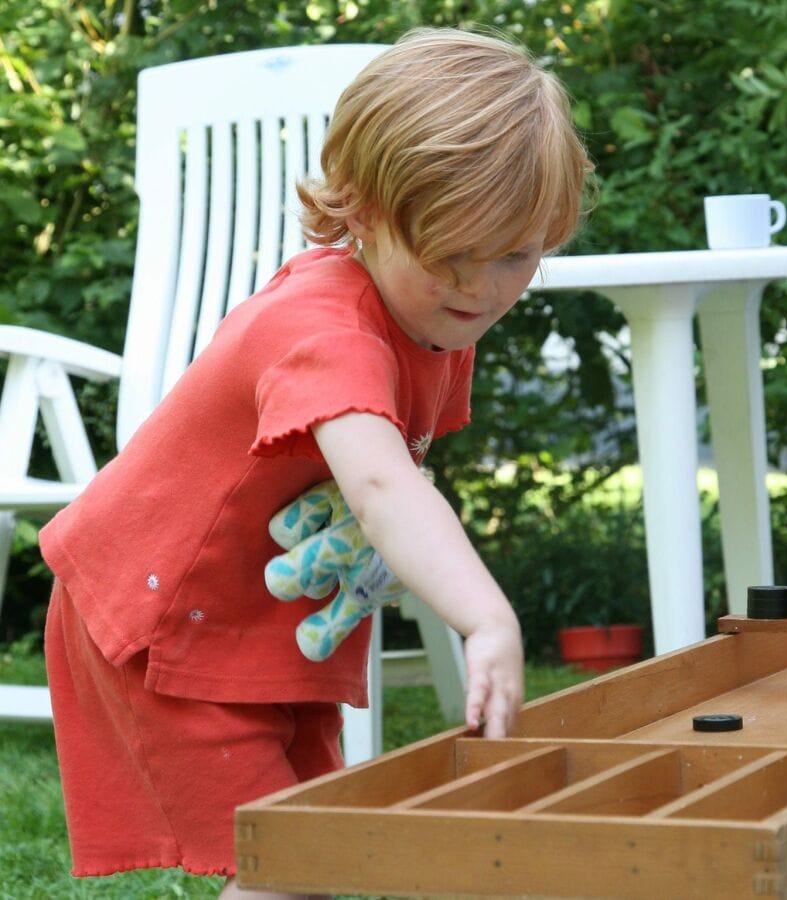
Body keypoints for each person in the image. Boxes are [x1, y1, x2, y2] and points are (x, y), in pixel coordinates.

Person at [40, 27, 592, 899]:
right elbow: (380, 483)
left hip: (249, 622)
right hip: (157, 623)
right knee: (287, 865)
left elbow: (384, 475)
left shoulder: (433, 314)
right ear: (365, 212)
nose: (485, 289)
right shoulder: (327, 328)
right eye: (452, 255)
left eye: (516, 256)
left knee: (313, 852)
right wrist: (486, 617)